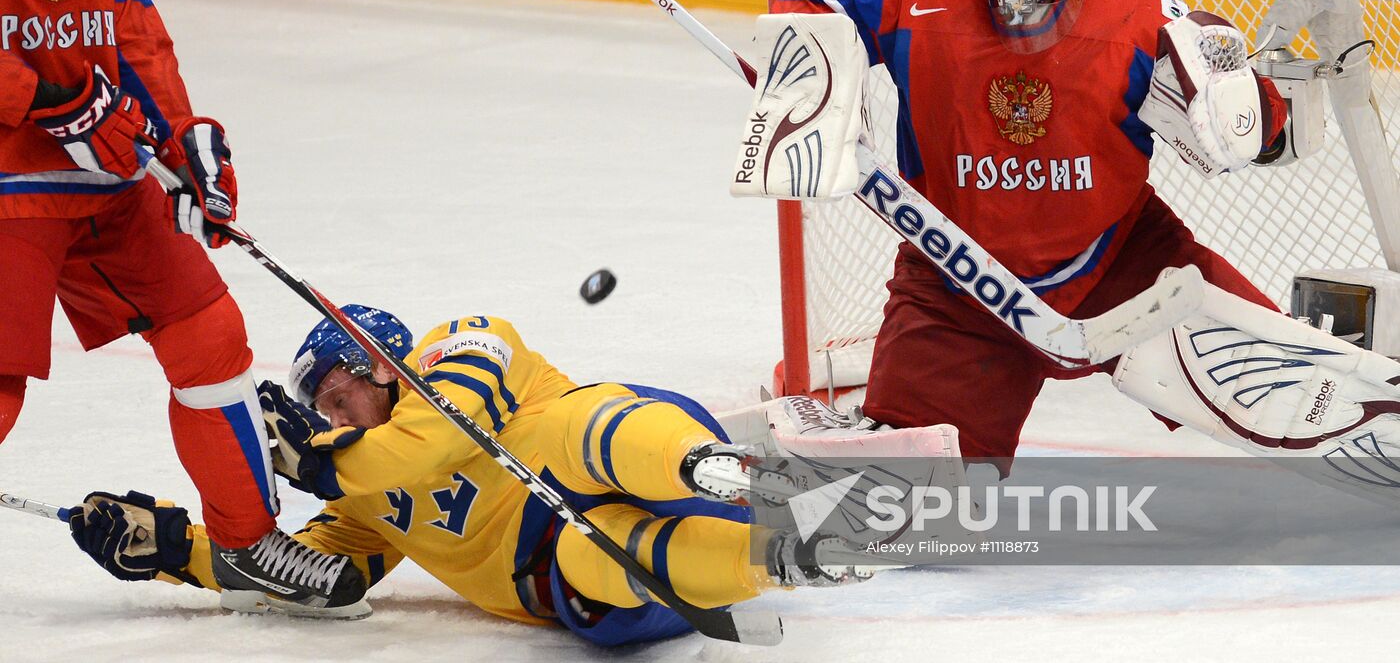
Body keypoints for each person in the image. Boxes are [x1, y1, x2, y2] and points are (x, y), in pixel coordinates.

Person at [0, 0, 363, 613]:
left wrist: (182, 135)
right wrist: (43, 102)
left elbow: (131, 24)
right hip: (9, 182)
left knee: (210, 338)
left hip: (110, 180)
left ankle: (246, 543)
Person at [767, 0, 1294, 469]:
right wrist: (801, 69)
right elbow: (807, 0)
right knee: (909, 491)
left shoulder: (1133, 12)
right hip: (957, 277)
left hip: (1127, 264)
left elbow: (1261, 129)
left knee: (1301, 395)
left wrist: (1245, 107)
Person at [66, 307, 873, 645]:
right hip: (591, 585)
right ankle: (789, 559)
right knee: (594, 560)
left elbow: (431, 442)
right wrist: (176, 548)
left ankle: (723, 470)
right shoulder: (356, 490)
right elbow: (316, 576)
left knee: (573, 431)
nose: (336, 417)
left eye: (343, 396)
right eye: (323, 409)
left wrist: (318, 459)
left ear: (382, 364)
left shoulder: (461, 347)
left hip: (630, 455)